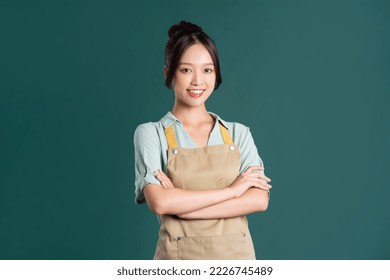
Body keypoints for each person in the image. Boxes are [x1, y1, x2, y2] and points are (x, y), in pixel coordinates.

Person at [133, 21, 271, 260]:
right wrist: (233, 190)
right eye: (186, 70)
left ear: (216, 73)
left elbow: (259, 199)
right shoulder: (150, 133)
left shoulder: (239, 133)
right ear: (168, 73)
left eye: (207, 70)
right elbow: (160, 202)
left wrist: (186, 211)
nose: (198, 81)